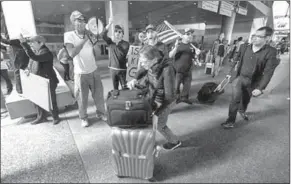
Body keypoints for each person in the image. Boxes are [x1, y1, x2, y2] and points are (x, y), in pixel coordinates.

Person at [221, 26, 280, 129]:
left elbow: (268, 72)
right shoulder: (245, 46)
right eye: (254, 35)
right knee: (235, 99)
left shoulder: (271, 52)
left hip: (254, 81)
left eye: (259, 36)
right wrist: (231, 73)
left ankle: (242, 110)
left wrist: (260, 88)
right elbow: (237, 60)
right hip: (240, 78)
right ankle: (230, 121)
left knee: (246, 98)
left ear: (267, 38)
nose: (254, 38)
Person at [127, 45, 182, 150]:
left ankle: (175, 141)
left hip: (167, 100)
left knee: (160, 124)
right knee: (149, 119)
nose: (142, 64)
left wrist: (157, 113)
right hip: (156, 94)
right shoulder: (152, 62)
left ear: (154, 60)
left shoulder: (167, 69)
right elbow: (143, 68)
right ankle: (149, 140)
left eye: (144, 61)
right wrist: (134, 79)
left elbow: (169, 97)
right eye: (141, 61)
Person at [64, 10, 107, 127]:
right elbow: (72, 53)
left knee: (98, 95)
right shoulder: (69, 35)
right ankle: (83, 117)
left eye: (83, 20)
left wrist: (95, 42)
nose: (82, 22)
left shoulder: (90, 34)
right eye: (79, 20)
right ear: (73, 22)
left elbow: (97, 53)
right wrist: (85, 39)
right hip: (80, 73)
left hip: (94, 70)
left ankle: (101, 113)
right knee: (82, 98)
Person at [19, 35, 61, 125]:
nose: (31, 45)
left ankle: (55, 117)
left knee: (51, 100)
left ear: (41, 43)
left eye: (33, 43)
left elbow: (35, 58)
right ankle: (41, 117)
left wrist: (24, 44)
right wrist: (28, 70)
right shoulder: (38, 51)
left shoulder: (46, 52)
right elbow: (32, 62)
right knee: (37, 99)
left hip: (48, 80)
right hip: (38, 80)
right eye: (30, 44)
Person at [102, 17, 130, 90]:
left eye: (119, 32)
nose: (117, 33)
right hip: (113, 69)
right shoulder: (111, 42)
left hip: (123, 70)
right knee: (115, 89)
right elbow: (103, 34)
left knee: (125, 88)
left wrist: (117, 43)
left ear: (122, 34)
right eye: (116, 31)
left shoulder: (126, 44)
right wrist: (110, 23)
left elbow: (122, 54)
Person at [169, 28, 195, 105]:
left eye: (191, 34)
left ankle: (184, 98)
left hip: (188, 69)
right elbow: (170, 55)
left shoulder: (193, 45)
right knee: (176, 86)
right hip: (178, 70)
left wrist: (197, 54)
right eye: (188, 34)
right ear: (182, 36)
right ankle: (175, 99)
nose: (190, 36)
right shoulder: (178, 45)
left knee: (187, 85)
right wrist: (176, 47)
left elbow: (193, 57)